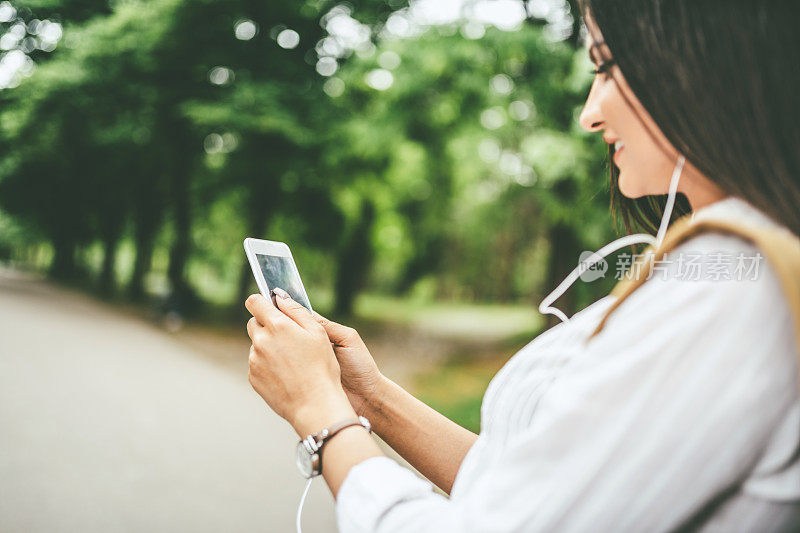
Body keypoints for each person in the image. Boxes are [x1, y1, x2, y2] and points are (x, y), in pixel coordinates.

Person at [243, 1, 800, 531]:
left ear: (698, 66)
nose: (589, 113)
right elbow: (524, 497)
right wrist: (366, 397)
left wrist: (321, 415)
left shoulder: (733, 286)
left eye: (606, 68)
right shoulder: (731, 272)